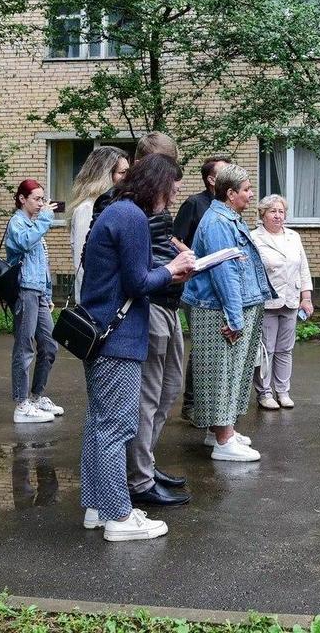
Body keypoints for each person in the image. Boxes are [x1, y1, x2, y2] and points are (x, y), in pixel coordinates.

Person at [78, 154, 196, 540]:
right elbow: (138, 282)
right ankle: (119, 517)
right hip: (120, 336)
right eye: (172, 190)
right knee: (117, 427)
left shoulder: (116, 211)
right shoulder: (131, 217)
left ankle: (97, 508)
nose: (173, 199)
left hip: (102, 332)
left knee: (99, 425)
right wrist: (173, 268)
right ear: (157, 187)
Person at [181, 163, 275, 462]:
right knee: (222, 373)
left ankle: (221, 431)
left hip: (232, 306)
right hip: (219, 309)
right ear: (231, 193)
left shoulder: (227, 217)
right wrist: (234, 318)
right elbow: (226, 273)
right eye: (246, 190)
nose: (251, 195)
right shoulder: (219, 222)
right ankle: (223, 440)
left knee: (232, 372)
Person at [125, 132, 191, 507]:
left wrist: (181, 256)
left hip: (168, 302)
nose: (175, 184)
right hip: (150, 305)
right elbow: (138, 262)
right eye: (167, 171)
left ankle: (146, 465)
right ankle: (139, 479)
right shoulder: (128, 205)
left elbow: (159, 245)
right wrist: (173, 265)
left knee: (168, 392)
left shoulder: (155, 205)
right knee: (148, 397)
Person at [173, 154, 231, 422]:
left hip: (220, 282)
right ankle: (192, 403)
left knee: (217, 344)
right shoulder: (194, 203)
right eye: (224, 170)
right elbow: (173, 237)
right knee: (202, 345)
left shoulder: (226, 205)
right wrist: (195, 257)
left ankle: (214, 404)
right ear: (210, 179)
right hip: (196, 285)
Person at [6, 179, 62, 425]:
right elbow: (25, 242)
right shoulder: (17, 223)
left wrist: (48, 294)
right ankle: (21, 404)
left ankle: (37, 397)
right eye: (36, 199)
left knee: (49, 346)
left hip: (38, 292)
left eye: (42, 199)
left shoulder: (34, 223)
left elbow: (43, 264)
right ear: (22, 199)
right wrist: (46, 218)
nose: (41, 203)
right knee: (25, 346)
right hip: (24, 291)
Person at [250, 194, 314, 410]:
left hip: (291, 300)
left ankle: (283, 391)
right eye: (273, 211)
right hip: (267, 302)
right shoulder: (254, 238)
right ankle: (264, 393)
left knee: (285, 349)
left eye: (281, 211)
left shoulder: (293, 236)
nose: (278, 216)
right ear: (263, 214)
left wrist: (306, 297)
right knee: (266, 349)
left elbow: (303, 267)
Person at [70, 146, 130, 303]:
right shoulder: (87, 209)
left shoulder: (113, 206)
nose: (127, 178)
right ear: (104, 175)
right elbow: (82, 264)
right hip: (96, 304)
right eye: (122, 173)